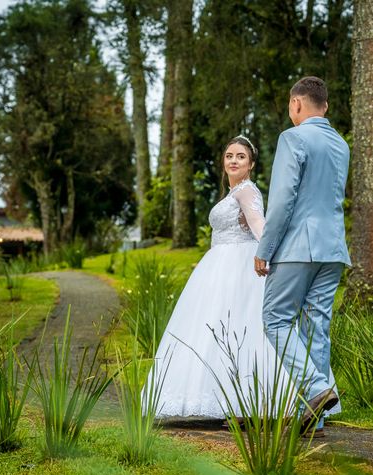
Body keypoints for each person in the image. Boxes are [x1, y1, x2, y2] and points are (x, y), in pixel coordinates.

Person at [149, 134, 340, 423]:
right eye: (229, 156)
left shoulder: (246, 192)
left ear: (251, 164)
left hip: (241, 265)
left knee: (246, 327)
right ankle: (238, 402)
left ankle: (260, 403)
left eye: (240, 156)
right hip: (220, 266)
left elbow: (259, 225)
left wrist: (271, 253)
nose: (234, 161)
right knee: (226, 328)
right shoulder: (233, 192)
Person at [254, 76, 351, 436]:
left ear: (296, 104)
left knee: (275, 319)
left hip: (298, 247)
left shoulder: (292, 138)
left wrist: (265, 248)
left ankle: (313, 389)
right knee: (317, 328)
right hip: (334, 248)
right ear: (324, 106)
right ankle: (317, 417)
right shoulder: (341, 144)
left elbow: (281, 200)